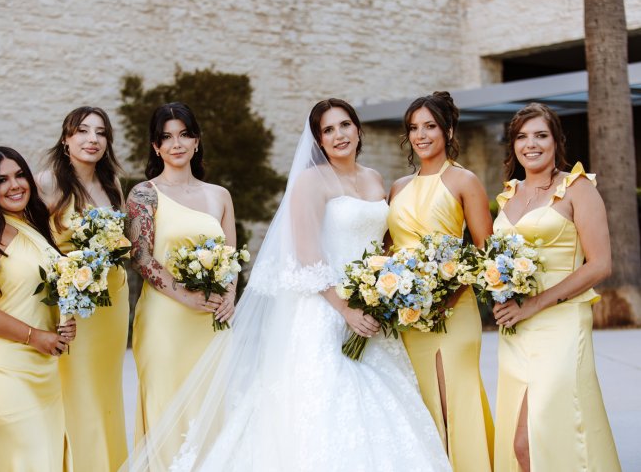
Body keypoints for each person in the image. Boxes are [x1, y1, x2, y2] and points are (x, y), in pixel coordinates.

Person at [121, 98, 450, 472]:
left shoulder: (375, 179)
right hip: (326, 308)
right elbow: (307, 255)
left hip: (370, 310)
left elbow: (382, 246)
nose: (338, 135)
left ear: (359, 129)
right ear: (318, 140)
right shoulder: (311, 181)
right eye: (328, 130)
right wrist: (346, 309)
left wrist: (383, 292)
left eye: (345, 125)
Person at [491, 103, 620, 471]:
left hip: (561, 323)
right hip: (516, 329)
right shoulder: (509, 194)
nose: (530, 144)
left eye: (540, 135)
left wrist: (535, 304)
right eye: (522, 137)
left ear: (557, 141)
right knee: (523, 442)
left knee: (534, 439)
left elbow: (600, 264)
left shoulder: (578, 188)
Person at [387, 91, 494, 471]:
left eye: (430, 126)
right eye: (414, 128)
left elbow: (484, 251)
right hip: (408, 317)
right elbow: (389, 250)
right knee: (421, 407)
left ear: (447, 131)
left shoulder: (465, 180)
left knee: (455, 404)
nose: (421, 135)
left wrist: (447, 294)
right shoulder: (398, 187)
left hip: (454, 311)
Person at [0, 147, 75, 471]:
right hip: (1, 370)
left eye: (20, 175)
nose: (15, 185)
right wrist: (34, 335)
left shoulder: (35, 228)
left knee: (44, 459)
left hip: (43, 368)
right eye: (2, 180)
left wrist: (65, 320)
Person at [125, 102, 237, 449]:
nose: (177, 144)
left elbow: (231, 257)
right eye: (167, 137)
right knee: (167, 412)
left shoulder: (220, 195)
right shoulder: (144, 194)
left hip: (211, 320)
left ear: (196, 141)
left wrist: (229, 297)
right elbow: (141, 256)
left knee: (212, 412)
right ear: (155, 146)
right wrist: (185, 295)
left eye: (185, 135)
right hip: (165, 320)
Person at [37, 106, 129, 471]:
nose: (93, 139)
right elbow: (36, 245)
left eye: (101, 132)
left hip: (113, 302)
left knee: (106, 389)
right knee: (78, 390)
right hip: (72, 304)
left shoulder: (112, 185)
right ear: (66, 139)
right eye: (83, 131)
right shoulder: (47, 182)